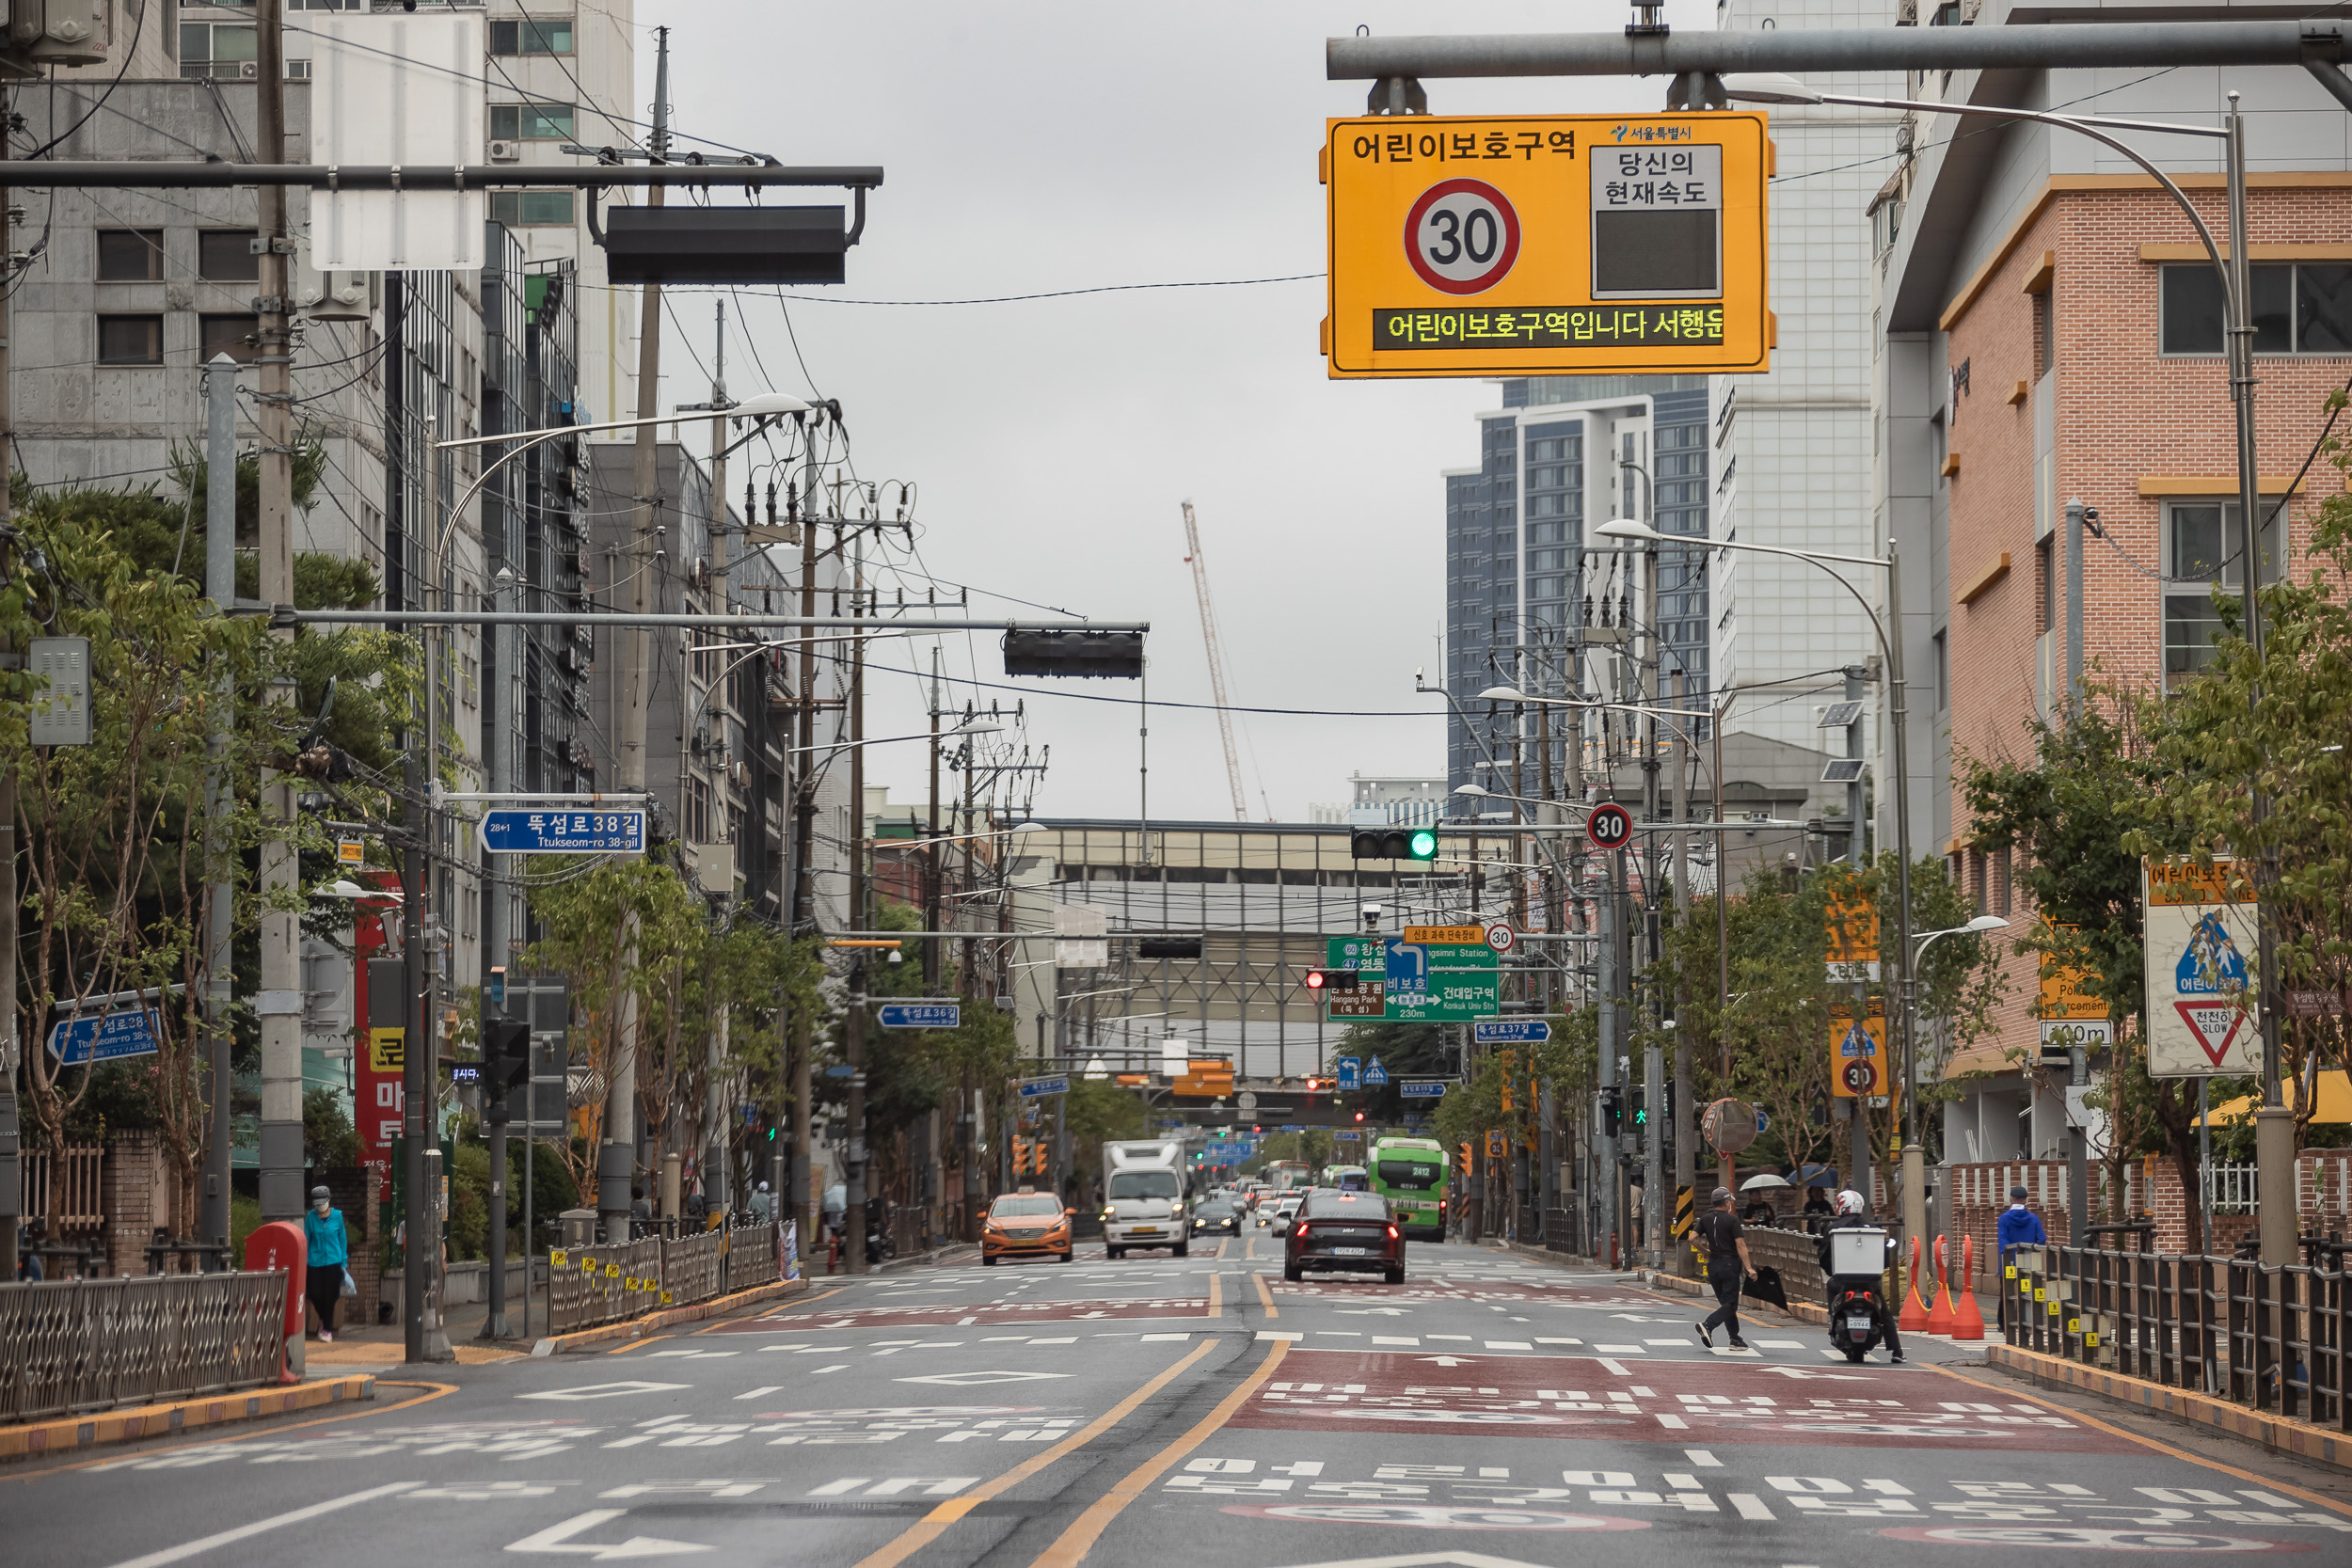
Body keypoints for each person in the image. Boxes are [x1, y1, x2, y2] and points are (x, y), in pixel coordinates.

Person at [1815, 1189, 1902, 1363]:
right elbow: (1884, 1258)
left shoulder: (1833, 1229)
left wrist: (1832, 1271)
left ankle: (1833, 1317)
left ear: (1841, 1206)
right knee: (1885, 1314)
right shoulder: (1873, 1229)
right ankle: (1897, 1352)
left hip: (1842, 1281)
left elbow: (1823, 1257)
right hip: (1871, 1282)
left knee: (1830, 1286)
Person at [1692, 1186, 1756, 1351]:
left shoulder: (1705, 1219)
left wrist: (1705, 1251)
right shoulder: (1732, 1220)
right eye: (1730, 1202)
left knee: (1726, 1304)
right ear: (1726, 1202)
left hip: (1713, 1266)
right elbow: (1740, 1244)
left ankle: (1735, 1339)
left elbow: (1692, 1238)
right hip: (1729, 1265)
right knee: (1731, 1304)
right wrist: (1749, 1267)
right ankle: (1708, 1325)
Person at [1996, 1184, 2048, 1331]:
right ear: (2026, 1200)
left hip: (2009, 1261)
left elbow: (2003, 1241)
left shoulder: (2004, 1219)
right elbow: (2042, 1238)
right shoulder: (2033, 1219)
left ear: (2011, 1199)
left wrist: (2008, 1254)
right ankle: (2027, 1321)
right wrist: (2031, 1250)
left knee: (2006, 1291)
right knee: (2027, 1290)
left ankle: (2004, 1324)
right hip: (2028, 1260)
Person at [303, 1185, 350, 1342]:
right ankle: (323, 1319)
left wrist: (343, 1261)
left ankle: (327, 1330)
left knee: (331, 1296)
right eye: (317, 1203)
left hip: (333, 1261)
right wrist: (303, 1260)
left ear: (329, 1200)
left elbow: (342, 1240)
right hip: (314, 1262)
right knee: (314, 1294)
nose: (320, 1206)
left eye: (322, 1202)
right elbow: (306, 1238)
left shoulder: (337, 1216)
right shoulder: (311, 1217)